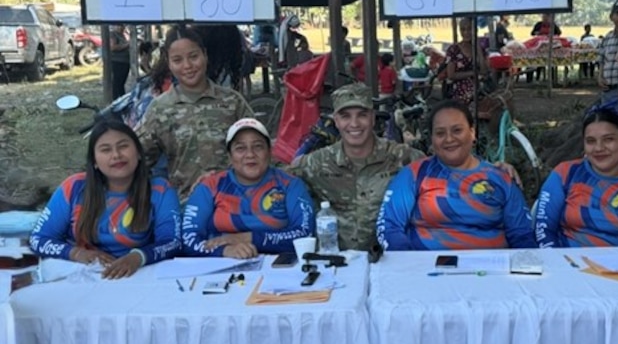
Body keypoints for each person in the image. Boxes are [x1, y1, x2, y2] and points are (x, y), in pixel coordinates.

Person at [29, 119, 181, 279]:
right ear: (94, 161)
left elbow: (172, 242)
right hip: (83, 273)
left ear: (138, 153)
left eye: (123, 146)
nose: (116, 155)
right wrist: (76, 253)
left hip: (137, 274)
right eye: (106, 150)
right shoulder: (74, 187)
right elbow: (39, 239)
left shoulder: (160, 189)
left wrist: (137, 258)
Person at [376, 99, 536, 251]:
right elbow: (390, 227)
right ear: (432, 139)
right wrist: (409, 266)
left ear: (472, 133)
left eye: (457, 130)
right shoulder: (414, 174)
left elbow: (522, 234)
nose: (449, 139)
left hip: (491, 273)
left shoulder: (501, 178)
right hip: (425, 271)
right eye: (440, 133)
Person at [288, 83, 426, 251]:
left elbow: (442, 177)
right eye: (345, 116)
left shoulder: (403, 158)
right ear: (336, 121)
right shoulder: (315, 163)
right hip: (337, 262)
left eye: (362, 115)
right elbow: (275, 181)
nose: (354, 124)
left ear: (373, 118)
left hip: (391, 260)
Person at [136, 25, 254, 202]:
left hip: (237, 203)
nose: (188, 66)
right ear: (168, 63)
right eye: (177, 60)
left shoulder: (232, 102)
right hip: (186, 207)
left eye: (194, 57)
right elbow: (138, 158)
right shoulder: (160, 109)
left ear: (205, 55)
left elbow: (258, 150)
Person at [534, 107, 618, 247]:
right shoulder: (565, 173)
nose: (599, 148)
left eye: (608, 139)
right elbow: (543, 230)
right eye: (591, 141)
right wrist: (556, 262)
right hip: (565, 264)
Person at [182, 118, 316, 258]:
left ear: (269, 152)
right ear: (229, 156)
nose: (250, 154)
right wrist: (224, 251)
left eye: (258, 146)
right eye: (240, 148)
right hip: (219, 267)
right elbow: (188, 240)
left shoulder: (290, 184)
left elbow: (305, 235)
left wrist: (247, 238)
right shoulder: (210, 186)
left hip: (280, 268)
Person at [443, 16, 491, 105]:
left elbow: (484, 71)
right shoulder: (453, 50)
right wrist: (473, 73)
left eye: (469, 29)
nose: (466, 32)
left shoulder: (479, 49)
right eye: (463, 29)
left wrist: (478, 48)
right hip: (459, 93)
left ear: (475, 30)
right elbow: (451, 75)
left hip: (478, 91)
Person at [109, 23, 131, 100]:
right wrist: (127, 45)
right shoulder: (113, 34)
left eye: (123, 26)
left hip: (126, 61)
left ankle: (122, 98)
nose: (121, 28)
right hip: (118, 61)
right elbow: (113, 47)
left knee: (122, 83)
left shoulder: (124, 35)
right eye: (119, 26)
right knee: (117, 83)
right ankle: (116, 99)